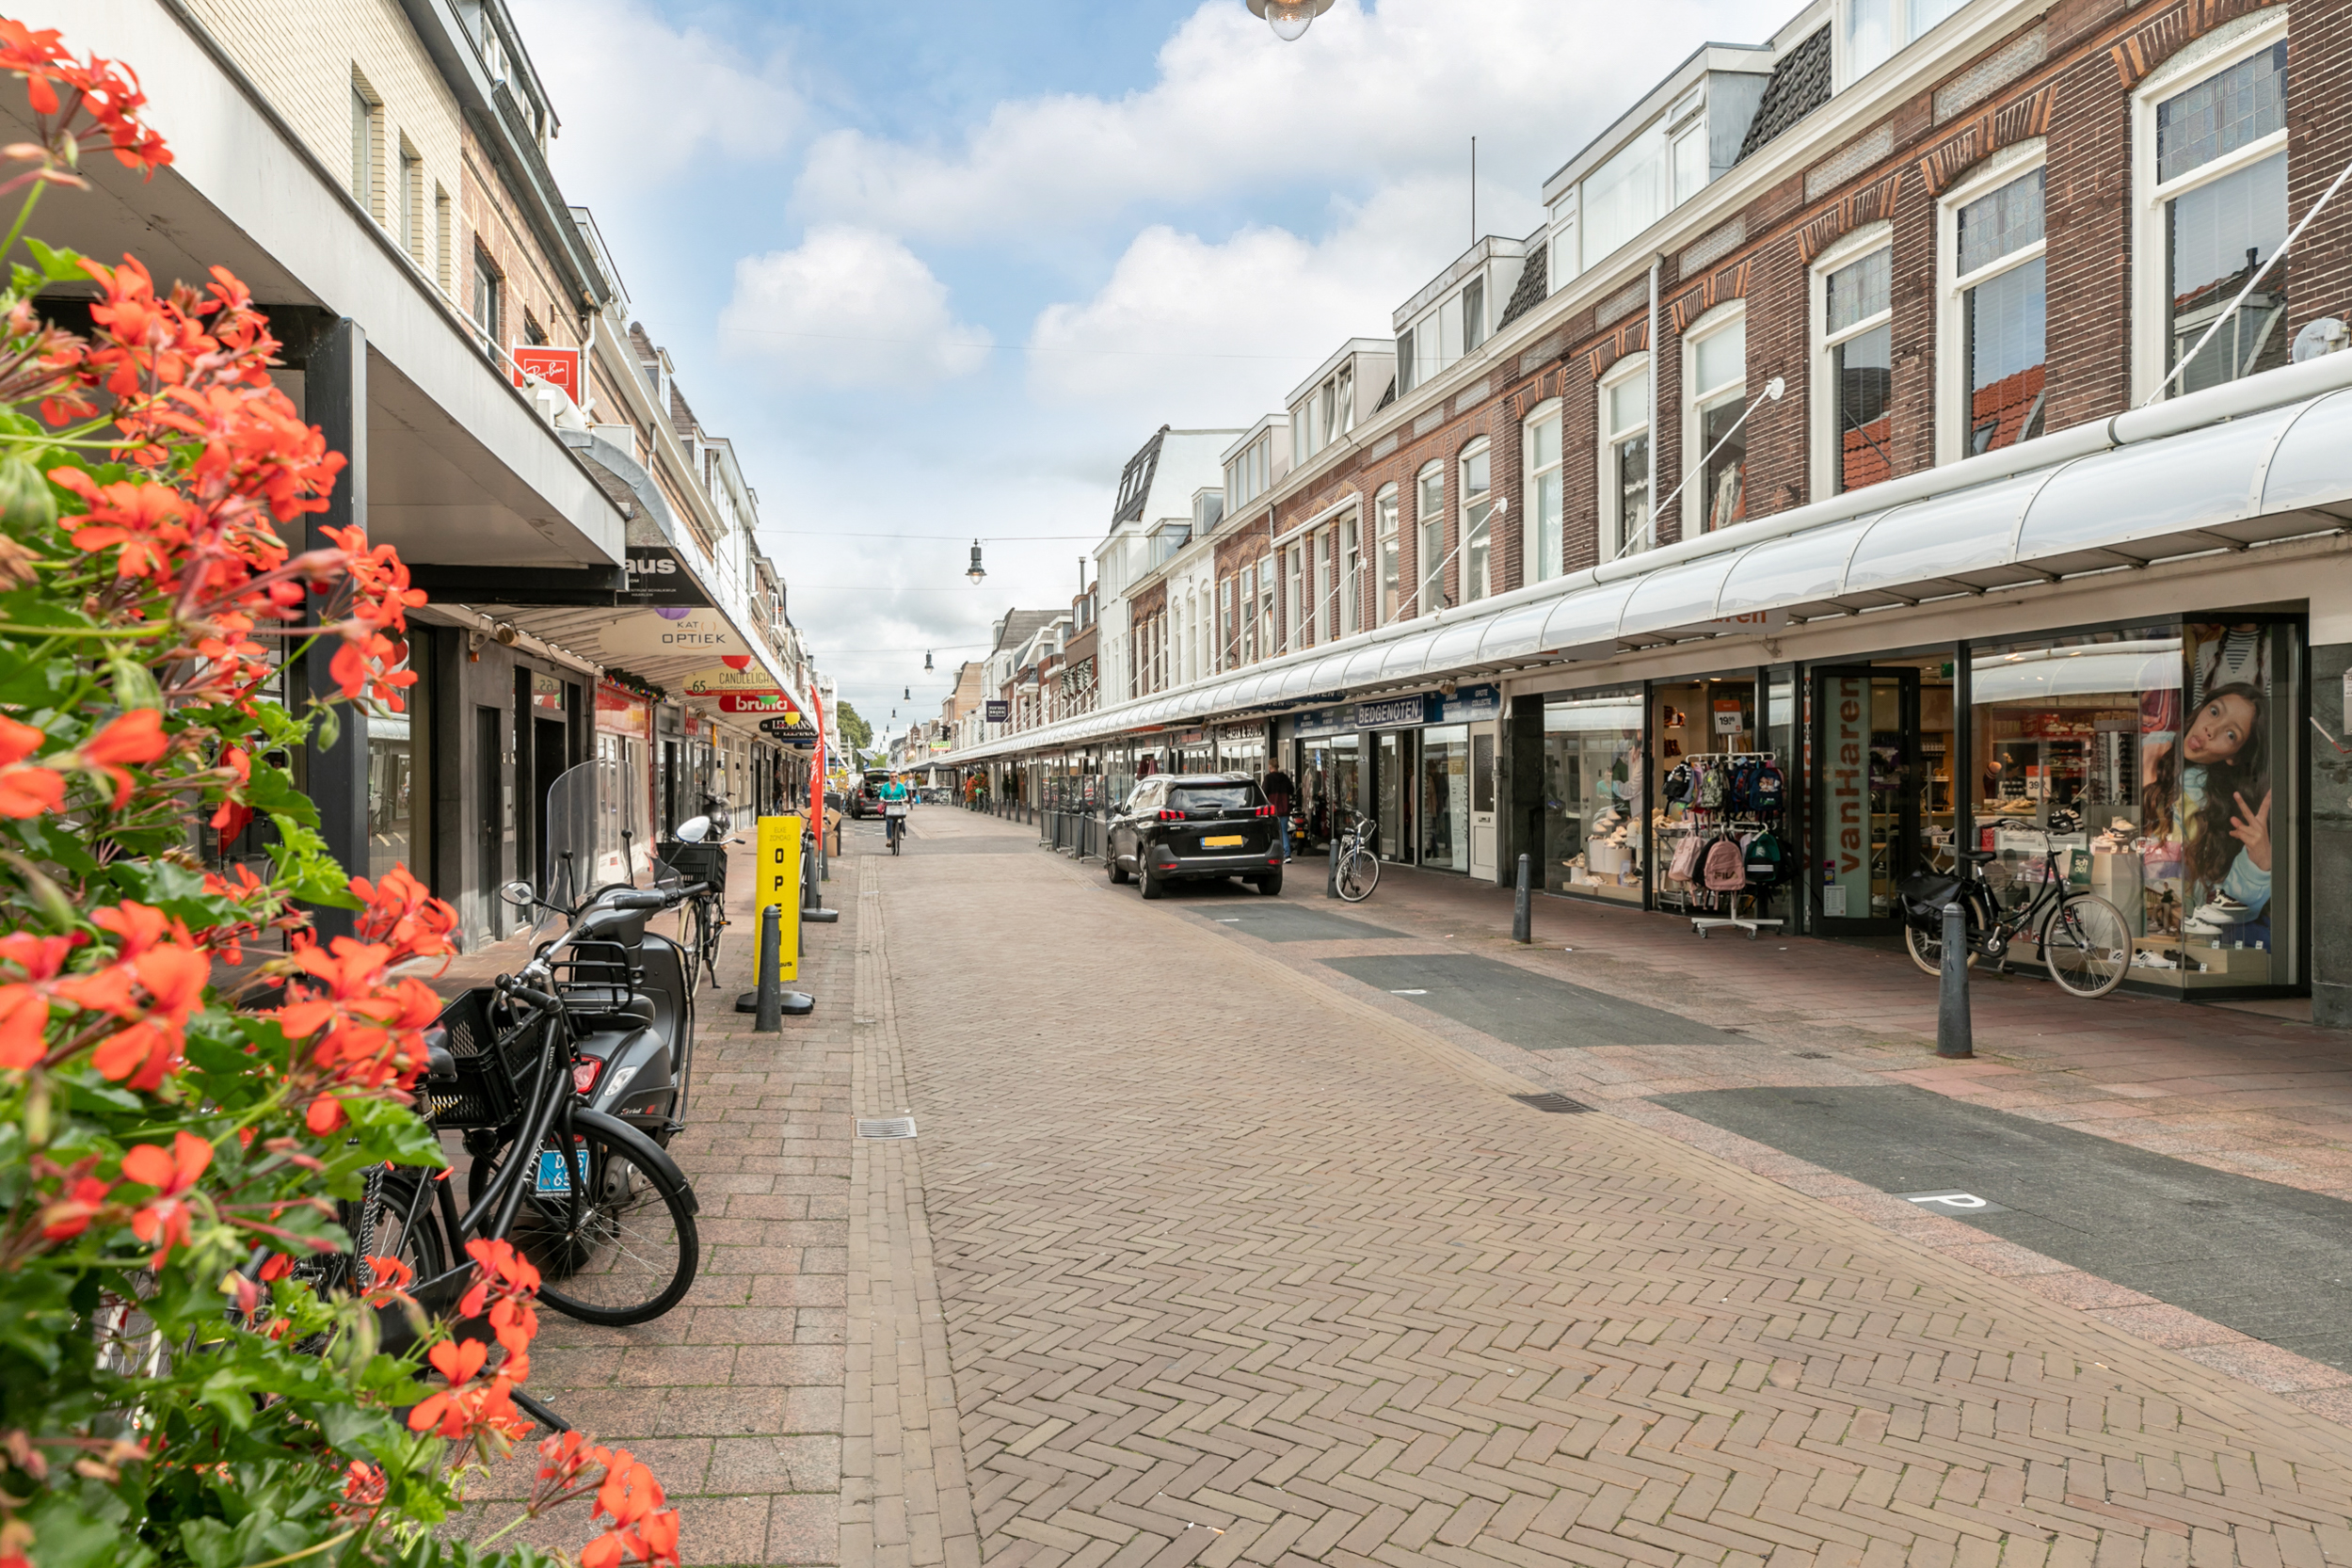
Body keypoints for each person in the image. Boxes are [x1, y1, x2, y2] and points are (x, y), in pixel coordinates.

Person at [2143, 682, 2269, 942]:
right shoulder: (2151, 753)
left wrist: (2258, 865)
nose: (2211, 729)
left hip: (2174, 939)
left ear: (2235, 756)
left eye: (2231, 734)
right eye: (2214, 711)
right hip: (2124, 924)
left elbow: (2222, 909)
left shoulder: (2222, 810)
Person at [1262, 763, 1295, 862]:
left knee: (1272, 832)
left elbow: (1264, 793)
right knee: (1283, 831)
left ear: (1270, 767)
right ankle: (1287, 854)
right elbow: (1291, 790)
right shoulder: (1284, 778)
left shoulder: (1268, 779)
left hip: (1273, 810)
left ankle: (1274, 853)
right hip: (1284, 809)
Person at [878, 772, 913, 849]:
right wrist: (882, 798)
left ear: (897, 777)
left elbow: (905, 795)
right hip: (889, 805)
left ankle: (901, 831)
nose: (894, 778)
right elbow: (881, 795)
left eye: (895, 776)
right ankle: (889, 839)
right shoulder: (885, 786)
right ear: (889, 778)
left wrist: (906, 798)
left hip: (898, 805)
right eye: (892, 776)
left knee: (901, 818)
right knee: (889, 821)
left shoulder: (901, 786)